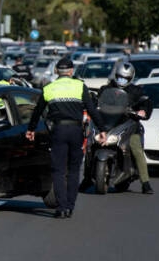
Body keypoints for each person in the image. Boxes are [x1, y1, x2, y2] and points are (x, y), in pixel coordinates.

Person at [25, 57, 108, 219]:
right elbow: (91, 109)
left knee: (58, 170)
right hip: (76, 130)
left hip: (58, 130)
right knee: (74, 169)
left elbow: (37, 110)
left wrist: (31, 129)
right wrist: (102, 129)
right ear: (71, 71)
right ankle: (70, 206)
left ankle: (61, 207)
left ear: (56, 71)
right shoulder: (80, 86)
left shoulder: (49, 88)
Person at [97, 61, 154, 194]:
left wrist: (143, 111)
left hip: (129, 125)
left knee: (135, 147)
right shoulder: (106, 88)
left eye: (125, 78)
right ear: (115, 75)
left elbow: (146, 102)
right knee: (91, 142)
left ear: (131, 78)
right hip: (109, 123)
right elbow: (98, 98)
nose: (121, 80)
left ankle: (145, 182)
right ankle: (87, 178)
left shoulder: (136, 91)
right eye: (119, 77)